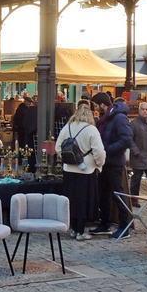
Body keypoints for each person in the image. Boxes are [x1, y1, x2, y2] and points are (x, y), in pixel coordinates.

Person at [58, 103, 105, 240]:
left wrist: (67, 158)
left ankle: (72, 228)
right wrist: (99, 164)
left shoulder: (67, 127)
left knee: (71, 199)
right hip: (87, 170)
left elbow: (58, 147)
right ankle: (80, 231)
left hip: (69, 169)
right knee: (84, 201)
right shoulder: (92, 130)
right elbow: (99, 152)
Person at [93, 94, 133, 238]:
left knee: (118, 194)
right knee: (103, 194)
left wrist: (107, 149)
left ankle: (125, 226)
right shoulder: (106, 118)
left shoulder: (119, 118)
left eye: (96, 105)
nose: (95, 108)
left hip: (114, 162)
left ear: (102, 104)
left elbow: (127, 139)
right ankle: (105, 223)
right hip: (105, 162)